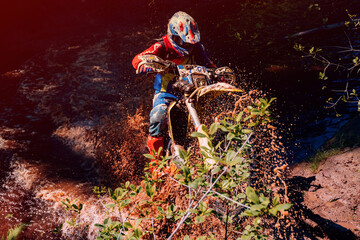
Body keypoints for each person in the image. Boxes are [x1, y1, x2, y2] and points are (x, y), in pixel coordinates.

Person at [132, 11, 217, 172]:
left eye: (189, 43)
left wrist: (217, 73)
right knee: (158, 115)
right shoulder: (162, 45)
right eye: (183, 42)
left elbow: (209, 65)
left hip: (191, 91)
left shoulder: (196, 47)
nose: (187, 46)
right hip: (166, 92)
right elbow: (137, 59)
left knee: (209, 115)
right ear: (173, 36)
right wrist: (147, 64)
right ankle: (155, 166)